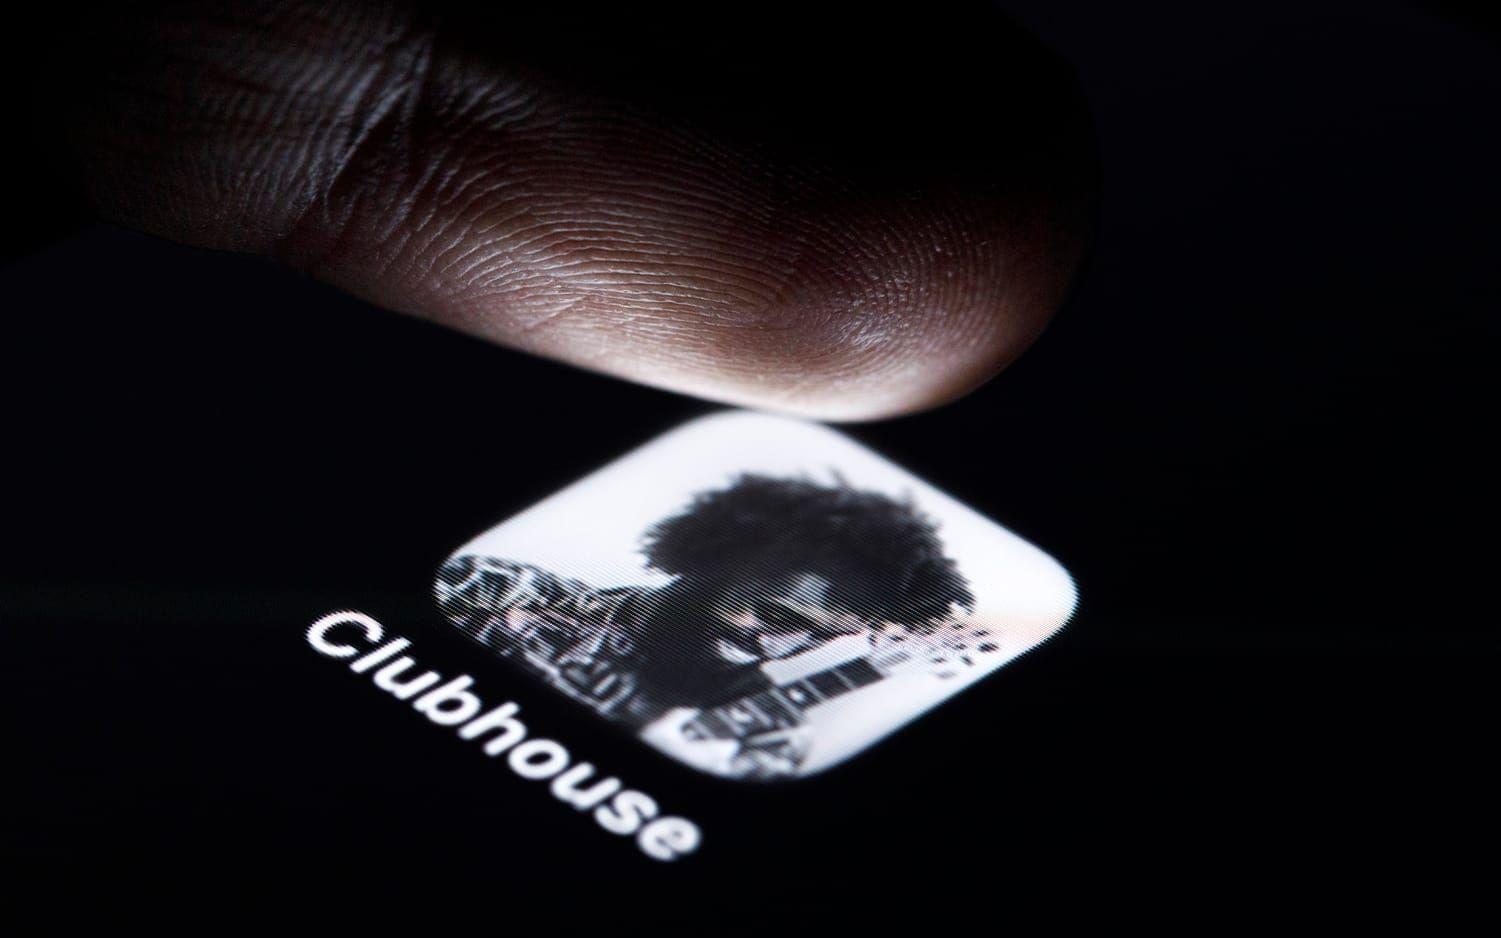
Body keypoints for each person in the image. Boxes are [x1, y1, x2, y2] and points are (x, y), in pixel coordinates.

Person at [437, 474, 974, 778]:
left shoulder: (768, 739)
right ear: (715, 562)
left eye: (824, 634)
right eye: (777, 613)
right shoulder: (489, 590)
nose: (782, 645)